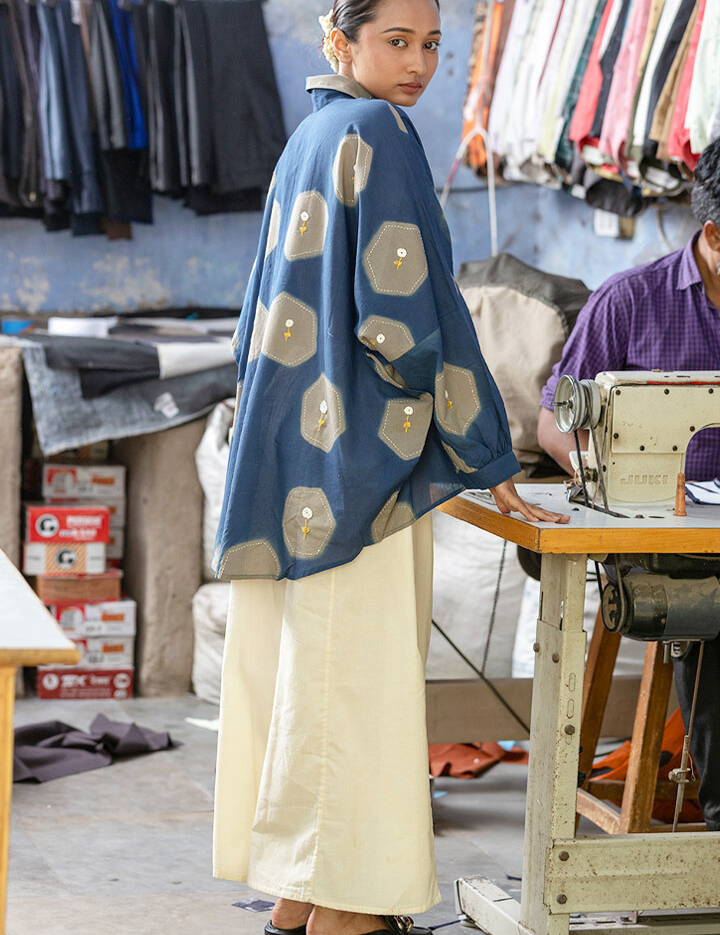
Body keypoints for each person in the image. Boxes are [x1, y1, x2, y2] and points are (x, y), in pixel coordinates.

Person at [212, 3, 568, 935]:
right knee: (357, 686)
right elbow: (413, 319)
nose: (419, 62)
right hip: (360, 463)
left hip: (297, 454)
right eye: (397, 41)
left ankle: (300, 899)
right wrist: (486, 450)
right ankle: (349, 913)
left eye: (432, 43)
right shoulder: (379, 129)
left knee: (313, 677)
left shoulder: (311, 135)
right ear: (341, 40)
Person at [538, 136, 720, 833]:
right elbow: (557, 422)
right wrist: (608, 485)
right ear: (713, 235)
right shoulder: (630, 302)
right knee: (711, 605)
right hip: (653, 532)